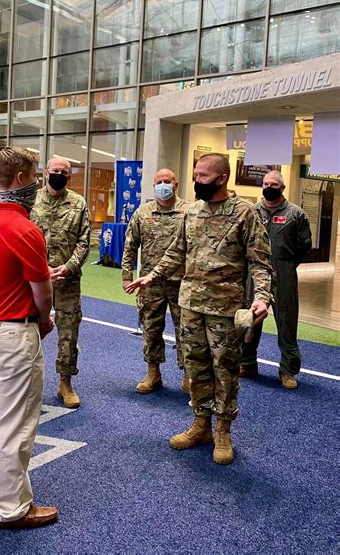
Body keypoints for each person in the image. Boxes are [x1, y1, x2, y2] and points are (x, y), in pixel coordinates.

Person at [126, 153, 272, 465]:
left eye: (203, 176)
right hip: (190, 302)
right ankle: (201, 423)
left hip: (224, 307)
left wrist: (262, 296)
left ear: (222, 178)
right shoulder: (191, 212)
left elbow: (260, 262)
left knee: (225, 368)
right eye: (195, 174)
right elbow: (176, 251)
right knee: (196, 365)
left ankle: (223, 430)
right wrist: (151, 275)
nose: (196, 181)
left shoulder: (244, 213)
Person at [0, 146, 58, 529]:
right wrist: (44, 317)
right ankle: (13, 508)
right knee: (15, 423)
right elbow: (42, 292)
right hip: (12, 333)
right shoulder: (25, 228)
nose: (39, 183)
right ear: (21, 179)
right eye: (35, 175)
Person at [240, 170, 312, 389]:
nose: (268, 187)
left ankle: (288, 370)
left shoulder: (295, 214)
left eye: (273, 184)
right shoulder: (251, 211)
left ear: (282, 188)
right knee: (250, 318)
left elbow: (304, 246)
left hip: (284, 271)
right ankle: (247, 362)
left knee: (287, 320)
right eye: (265, 183)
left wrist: (287, 265)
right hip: (254, 271)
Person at [31, 156, 91, 408]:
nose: (59, 174)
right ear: (46, 172)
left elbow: (84, 241)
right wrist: (40, 269)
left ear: (69, 176)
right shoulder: (31, 201)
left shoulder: (78, 204)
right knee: (28, 329)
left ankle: (65, 382)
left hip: (67, 280)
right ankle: (26, 380)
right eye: (55, 170)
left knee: (68, 332)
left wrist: (69, 266)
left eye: (64, 172)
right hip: (35, 279)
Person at [121, 168, 188, 394]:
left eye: (167, 181)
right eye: (158, 181)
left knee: (186, 330)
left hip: (181, 282)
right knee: (151, 327)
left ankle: (189, 375)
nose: (163, 185)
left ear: (175, 185)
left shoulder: (189, 212)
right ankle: (153, 372)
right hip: (149, 283)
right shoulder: (143, 213)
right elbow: (130, 246)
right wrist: (127, 276)